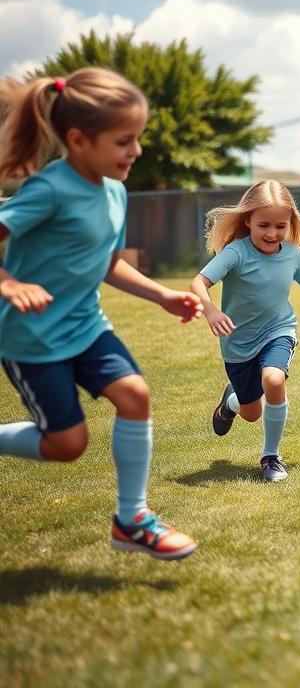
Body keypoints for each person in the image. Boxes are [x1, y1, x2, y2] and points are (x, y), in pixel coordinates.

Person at [0, 67, 201, 560]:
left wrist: (163, 296)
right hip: (34, 338)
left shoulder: (115, 189)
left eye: (138, 138)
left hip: (87, 326)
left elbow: (108, 263)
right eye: (124, 140)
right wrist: (10, 283)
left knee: (135, 394)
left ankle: (131, 520)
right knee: (68, 445)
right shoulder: (47, 190)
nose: (136, 151)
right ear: (78, 139)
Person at [190, 180, 300, 482]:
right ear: (247, 219)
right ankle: (231, 402)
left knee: (273, 379)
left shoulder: (292, 254)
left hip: (279, 330)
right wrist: (211, 310)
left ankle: (271, 457)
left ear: (290, 223)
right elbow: (199, 283)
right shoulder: (236, 253)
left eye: (280, 225)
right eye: (264, 225)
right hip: (237, 343)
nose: (272, 233)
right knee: (252, 413)